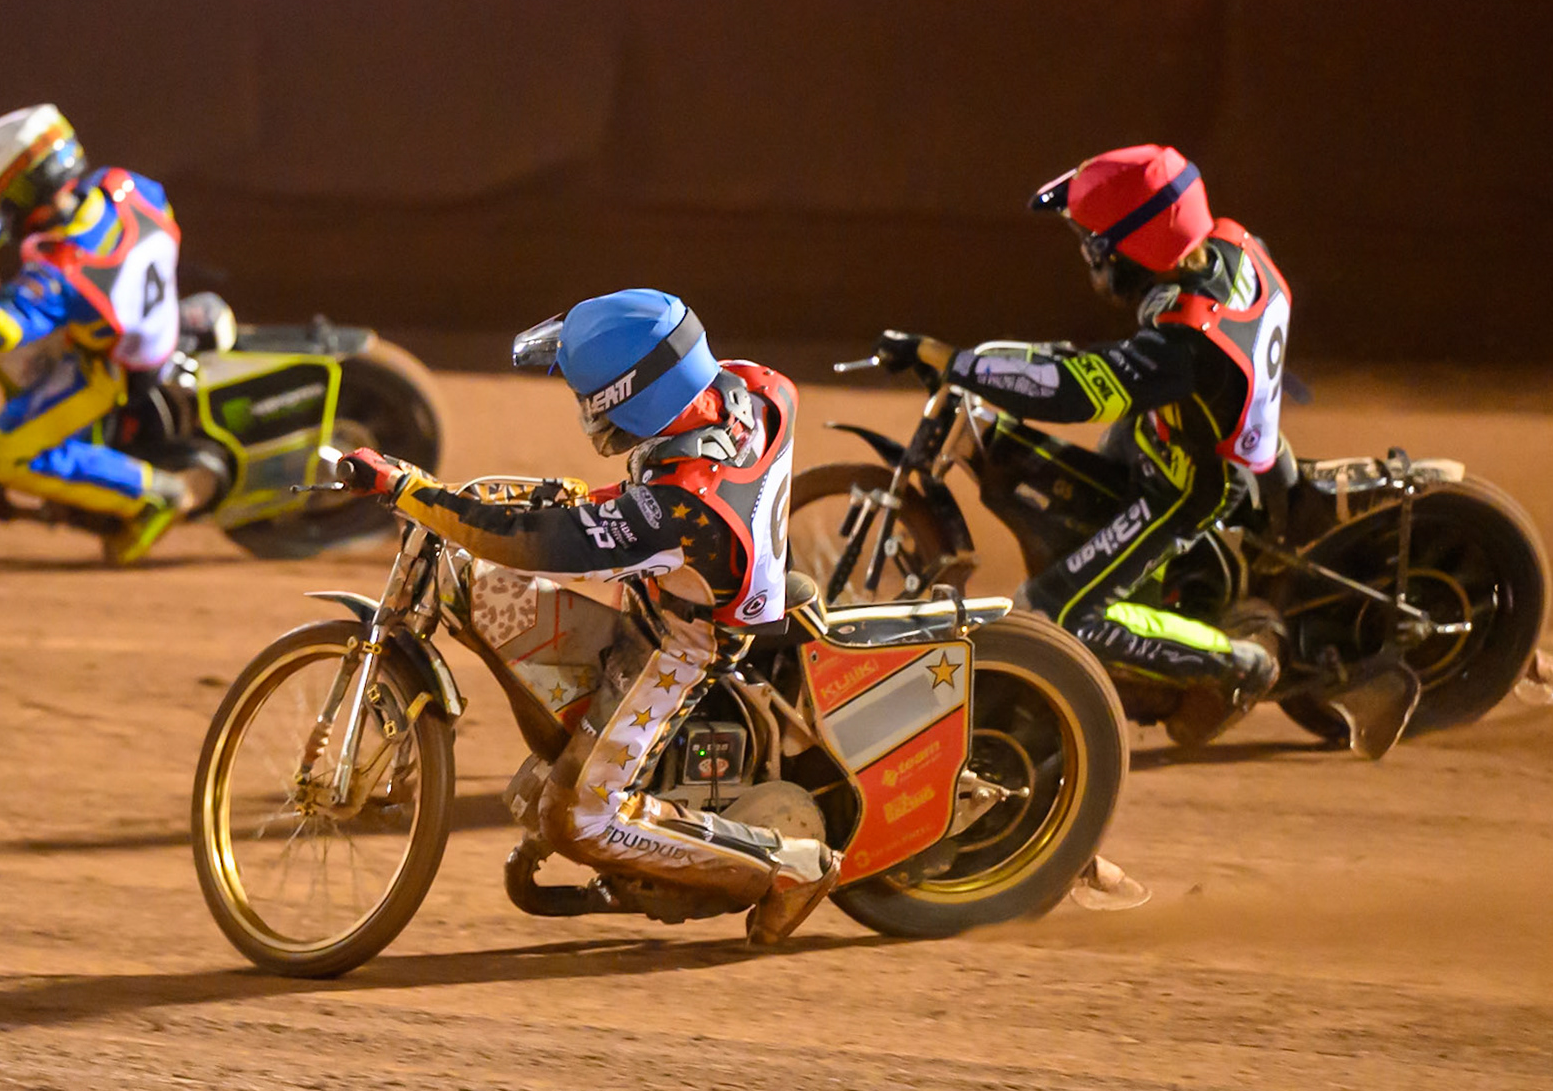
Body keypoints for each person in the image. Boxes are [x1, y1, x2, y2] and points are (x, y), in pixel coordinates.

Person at [335, 289, 841, 944]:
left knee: (579, 817)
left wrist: (410, 489)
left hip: (683, 644)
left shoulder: (680, 509)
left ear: (635, 399)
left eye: (592, 397)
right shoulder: (755, 386)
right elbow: (642, 492)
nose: (584, 409)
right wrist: (588, 499)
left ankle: (789, 867)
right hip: (712, 572)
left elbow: (529, 542)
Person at [874, 145, 1289, 745]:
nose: (1089, 251)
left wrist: (950, 360)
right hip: (1195, 425)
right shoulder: (1235, 246)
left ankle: (1240, 664)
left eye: (1097, 240)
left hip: (1190, 485)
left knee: (1061, 611)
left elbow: (1070, 389)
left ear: (1141, 244)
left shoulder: (1183, 347)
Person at [0, 104, 185, 564]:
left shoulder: (62, 270)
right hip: (153, 321)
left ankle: (155, 495)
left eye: (0, 197)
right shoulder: (127, 187)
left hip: (110, 367)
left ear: (27, 192)